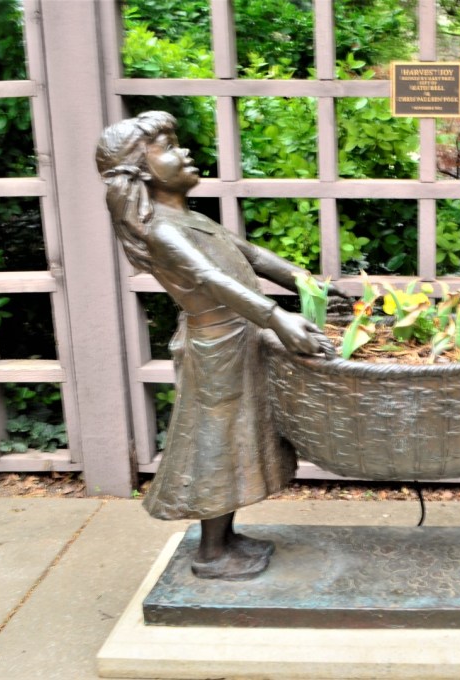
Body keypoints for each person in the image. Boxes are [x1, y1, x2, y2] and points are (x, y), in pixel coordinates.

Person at [96, 111, 332, 580]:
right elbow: (209, 278)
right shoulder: (161, 229)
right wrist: (277, 317)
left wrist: (308, 284)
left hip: (240, 340)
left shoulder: (192, 219)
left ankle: (224, 539)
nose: (184, 151)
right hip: (216, 348)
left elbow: (253, 257)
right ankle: (212, 553)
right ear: (141, 170)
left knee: (239, 441)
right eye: (168, 146)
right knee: (216, 444)